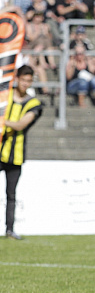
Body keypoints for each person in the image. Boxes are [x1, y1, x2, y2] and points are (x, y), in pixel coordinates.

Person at [1, 66, 43, 240]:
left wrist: (4, 121)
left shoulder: (34, 104)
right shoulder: (5, 96)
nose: (25, 84)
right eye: (23, 80)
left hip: (15, 155)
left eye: (29, 81)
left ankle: (9, 230)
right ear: (17, 78)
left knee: (11, 194)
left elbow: (20, 125)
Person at [66, 44, 95, 108]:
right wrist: (72, 66)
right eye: (77, 53)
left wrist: (93, 63)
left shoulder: (87, 62)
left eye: (81, 53)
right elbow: (68, 77)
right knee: (82, 81)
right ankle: (81, 102)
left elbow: (93, 72)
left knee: (94, 79)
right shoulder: (71, 62)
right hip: (73, 86)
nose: (79, 56)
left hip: (87, 85)